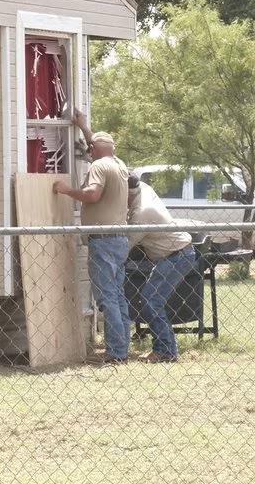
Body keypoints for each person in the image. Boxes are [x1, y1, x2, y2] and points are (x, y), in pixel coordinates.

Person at [53, 111, 131, 363]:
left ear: (95, 149)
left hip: (103, 240)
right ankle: (122, 348)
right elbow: (98, 146)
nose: (87, 150)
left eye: (90, 147)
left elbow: (93, 194)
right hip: (119, 239)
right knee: (117, 295)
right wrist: (85, 128)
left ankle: (116, 353)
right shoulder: (118, 164)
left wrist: (66, 191)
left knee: (107, 297)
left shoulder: (99, 166)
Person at [127, 174, 196, 362]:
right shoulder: (144, 188)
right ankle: (165, 348)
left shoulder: (141, 213)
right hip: (177, 254)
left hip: (176, 255)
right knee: (152, 299)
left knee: (151, 300)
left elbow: (125, 246)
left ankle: (165, 350)